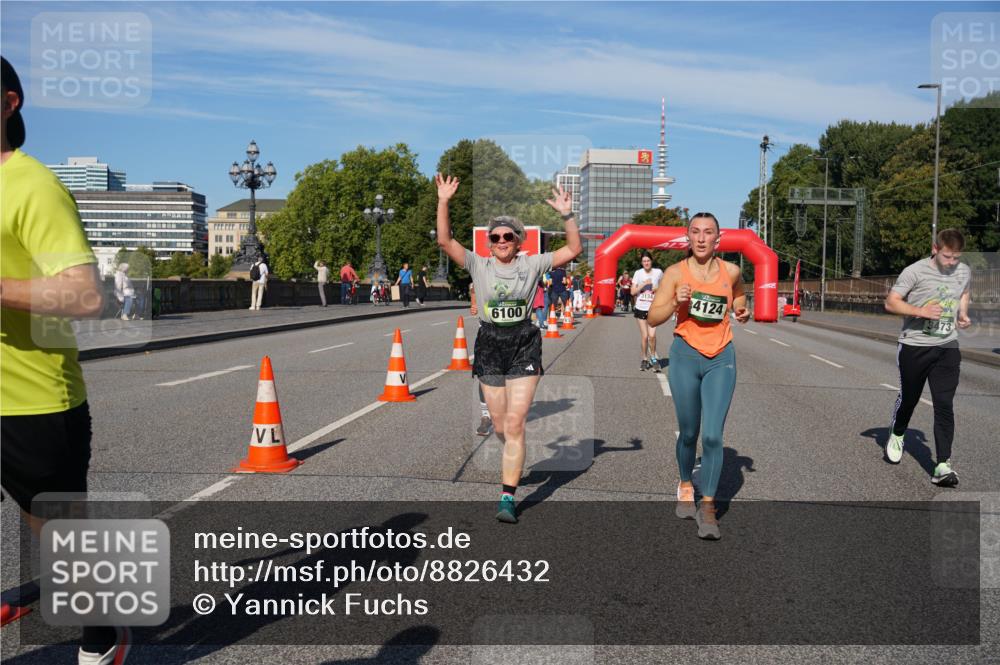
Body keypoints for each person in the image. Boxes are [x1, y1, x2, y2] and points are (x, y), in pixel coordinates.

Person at [0, 55, 130, 664]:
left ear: (8, 104)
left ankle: (104, 635)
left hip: (32, 401)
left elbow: (84, 295)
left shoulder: (33, 185)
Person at [435, 174, 581, 523]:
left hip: (524, 342)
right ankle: (512, 454)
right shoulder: (478, 265)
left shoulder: (532, 264)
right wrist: (443, 201)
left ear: (518, 242)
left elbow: (574, 249)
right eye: (496, 237)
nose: (502, 241)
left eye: (508, 237)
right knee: (500, 424)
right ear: (489, 244)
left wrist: (566, 215)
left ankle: (507, 497)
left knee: (515, 423)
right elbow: (444, 241)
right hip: (489, 343)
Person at [647, 212, 750, 540]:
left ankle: (708, 506)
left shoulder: (731, 271)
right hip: (686, 356)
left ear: (718, 239)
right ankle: (686, 483)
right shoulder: (676, 274)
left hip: (721, 357)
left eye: (708, 233)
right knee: (689, 432)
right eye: (696, 232)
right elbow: (653, 317)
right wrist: (675, 302)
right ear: (688, 238)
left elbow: (740, 295)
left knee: (713, 436)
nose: (702, 238)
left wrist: (741, 310)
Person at [883, 228, 971, 486]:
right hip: (915, 345)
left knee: (944, 403)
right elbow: (891, 302)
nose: (951, 263)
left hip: (947, 346)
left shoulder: (963, 271)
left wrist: (963, 314)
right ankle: (898, 432)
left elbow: (964, 291)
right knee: (910, 398)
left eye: (956, 258)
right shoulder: (915, 271)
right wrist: (920, 311)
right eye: (946, 257)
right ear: (935, 249)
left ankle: (943, 464)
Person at [631, 252, 664, 371]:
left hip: (653, 309)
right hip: (641, 307)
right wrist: (643, 284)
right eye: (644, 261)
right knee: (645, 337)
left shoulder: (658, 272)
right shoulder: (638, 273)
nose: (646, 263)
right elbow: (632, 292)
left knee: (652, 336)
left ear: (651, 261)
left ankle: (654, 357)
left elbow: (666, 286)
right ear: (642, 263)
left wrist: (658, 289)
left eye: (648, 261)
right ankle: (644, 358)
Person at [468, 283, 492, 436]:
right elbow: (473, 288)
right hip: (487, 332)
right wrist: (474, 303)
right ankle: (486, 416)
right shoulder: (483, 267)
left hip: (513, 335)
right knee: (484, 375)